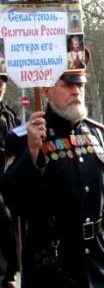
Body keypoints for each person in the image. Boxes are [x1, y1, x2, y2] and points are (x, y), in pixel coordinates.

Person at [2, 68, 104, 288]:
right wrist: (31, 153)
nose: (76, 91)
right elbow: (13, 200)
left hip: (97, 263)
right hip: (51, 267)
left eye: (80, 85)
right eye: (68, 85)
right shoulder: (25, 136)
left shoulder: (98, 134)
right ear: (47, 90)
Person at [0, 74, 20, 288]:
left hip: (6, 177)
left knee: (10, 218)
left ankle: (11, 270)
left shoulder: (10, 114)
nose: (1, 86)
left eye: (3, 82)